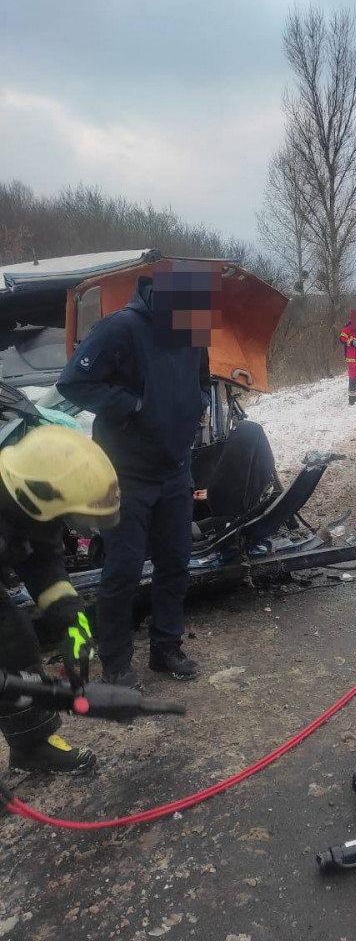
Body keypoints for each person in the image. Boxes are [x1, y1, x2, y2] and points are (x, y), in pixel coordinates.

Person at [58, 268, 212, 689]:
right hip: (126, 473)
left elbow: (201, 378)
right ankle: (115, 664)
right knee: (123, 570)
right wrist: (135, 404)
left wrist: (195, 404)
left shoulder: (193, 326)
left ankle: (166, 648)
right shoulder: (120, 328)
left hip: (176, 470)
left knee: (175, 564)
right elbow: (73, 382)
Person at [0, 426, 120, 773]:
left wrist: (75, 626)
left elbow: (46, 568)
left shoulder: (30, 511)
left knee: (14, 641)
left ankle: (32, 749)